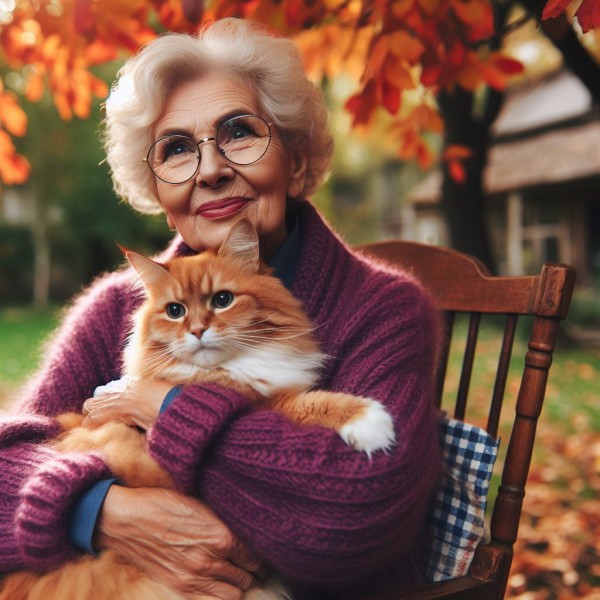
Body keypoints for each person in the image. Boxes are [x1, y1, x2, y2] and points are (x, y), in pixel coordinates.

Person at [0, 18, 441, 600]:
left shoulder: (384, 308)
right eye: (176, 149)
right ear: (157, 189)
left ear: (297, 161)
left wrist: (169, 408)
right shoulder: (114, 308)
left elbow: (354, 520)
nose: (210, 170)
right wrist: (97, 511)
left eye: (238, 132)